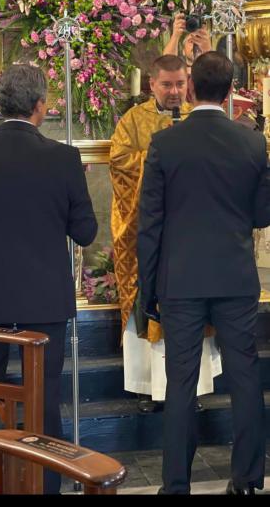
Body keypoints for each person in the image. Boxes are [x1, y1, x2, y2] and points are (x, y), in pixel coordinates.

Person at [137, 50, 270, 495]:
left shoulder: (165, 143)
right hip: (234, 275)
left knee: (182, 383)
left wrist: (147, 289)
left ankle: (176, 484)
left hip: (181, 279)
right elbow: (262, 214)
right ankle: (248, 480)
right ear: (232, 90)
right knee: (245, 377)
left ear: (190, 88)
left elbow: (149, 224)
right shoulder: (252, 142)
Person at [0, 63, 98, 494]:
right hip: (43, 303)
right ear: (41, 106)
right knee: (43, 401)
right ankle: (44, 487)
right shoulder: (63, 159)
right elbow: (86, 232)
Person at [110, 54, 222, 413]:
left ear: (188, 83)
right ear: (152, 85)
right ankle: (146, 387)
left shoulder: (197, 118)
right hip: (149, 230)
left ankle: (196, 388)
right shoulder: (133, 121)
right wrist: (161, 159)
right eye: (167, 85)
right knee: (148, 302)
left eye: (179, 84)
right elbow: (120, 162)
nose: (174, 92)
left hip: (190, 231)